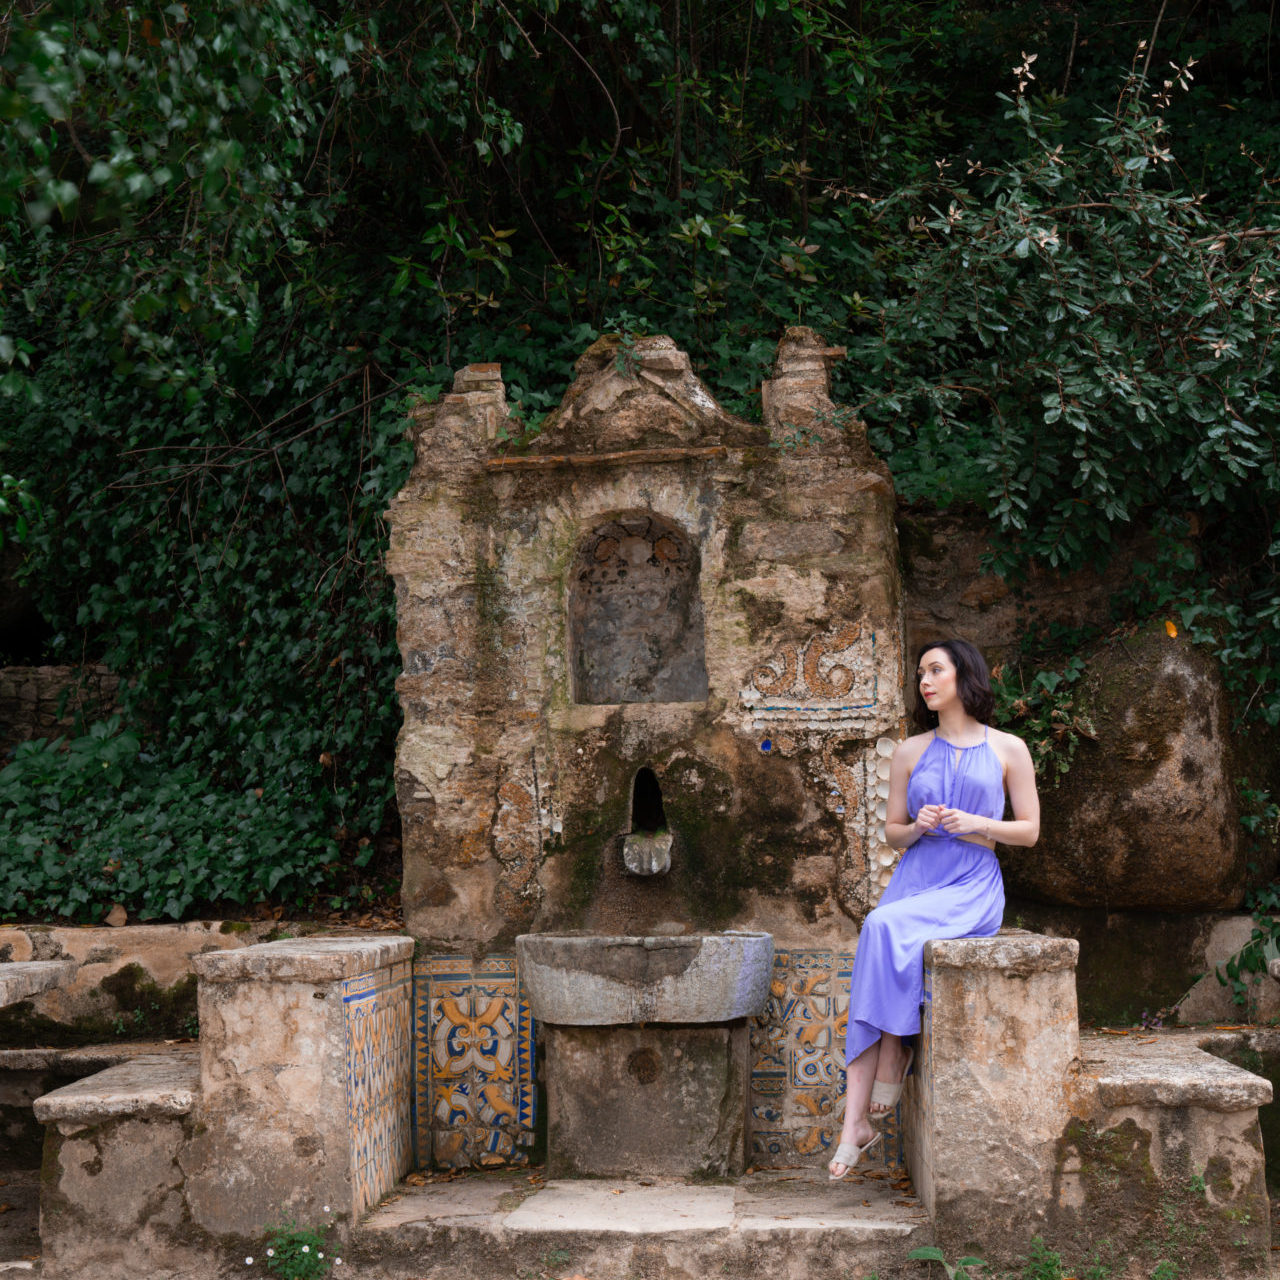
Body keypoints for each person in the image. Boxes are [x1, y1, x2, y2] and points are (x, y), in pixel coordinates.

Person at [827, 638, 1040, 1179]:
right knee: (881, 932)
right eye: (920, 672)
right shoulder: (909, 751)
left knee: (880, 926)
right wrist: (917, 827)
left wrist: (976, 824)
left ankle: (893, 1056)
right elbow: (893, 832)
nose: (924, 680)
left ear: (963, 676)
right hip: (917, 877)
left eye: (935, 670)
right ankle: (857, 1119)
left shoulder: (1008, 748)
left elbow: (1031, 831)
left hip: (971, 882)